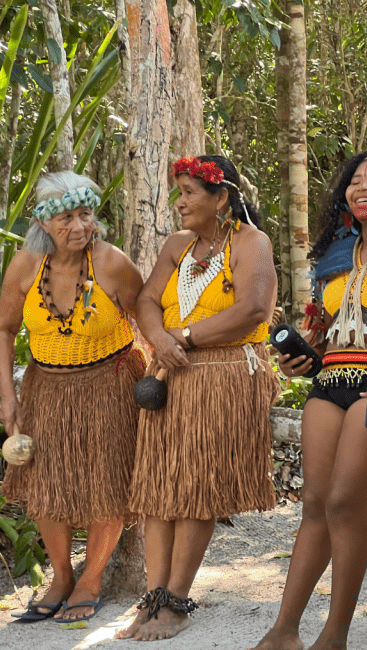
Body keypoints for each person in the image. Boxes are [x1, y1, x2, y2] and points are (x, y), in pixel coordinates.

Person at [250, 150, 367, 650]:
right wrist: (303, 356)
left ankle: (333, 637)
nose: (362, 188)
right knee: (314, 503)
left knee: (343, 503)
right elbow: (329, 330)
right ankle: (283, 632)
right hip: (333, 380)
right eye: (355, 182)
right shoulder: (336, 256)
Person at [116, 154, 280, 641]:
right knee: (160, 488)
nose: (180, 202)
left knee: (194, 488)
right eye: (179, 191)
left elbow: (253, 309)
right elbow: (147, 300)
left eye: (189, 192)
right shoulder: (177, 245)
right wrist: (159, 340)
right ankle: (152, 598)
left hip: (225, 375)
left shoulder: (252, 242)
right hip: (171, 377)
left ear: (221, 197)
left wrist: (181, 337)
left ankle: (177, 602)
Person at [0, 171, 146, 622]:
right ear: (43, 223)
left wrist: (164, 380)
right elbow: (3, 329)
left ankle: (91, 579)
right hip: (47, 388)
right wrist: (7, 396)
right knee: (46, 484)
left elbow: (147, 324)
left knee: (106, 484)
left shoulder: (112, 263)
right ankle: (61, 575)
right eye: (66, 217)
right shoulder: (25, 266)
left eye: (86, 214)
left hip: (111, 384)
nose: (80, 226)